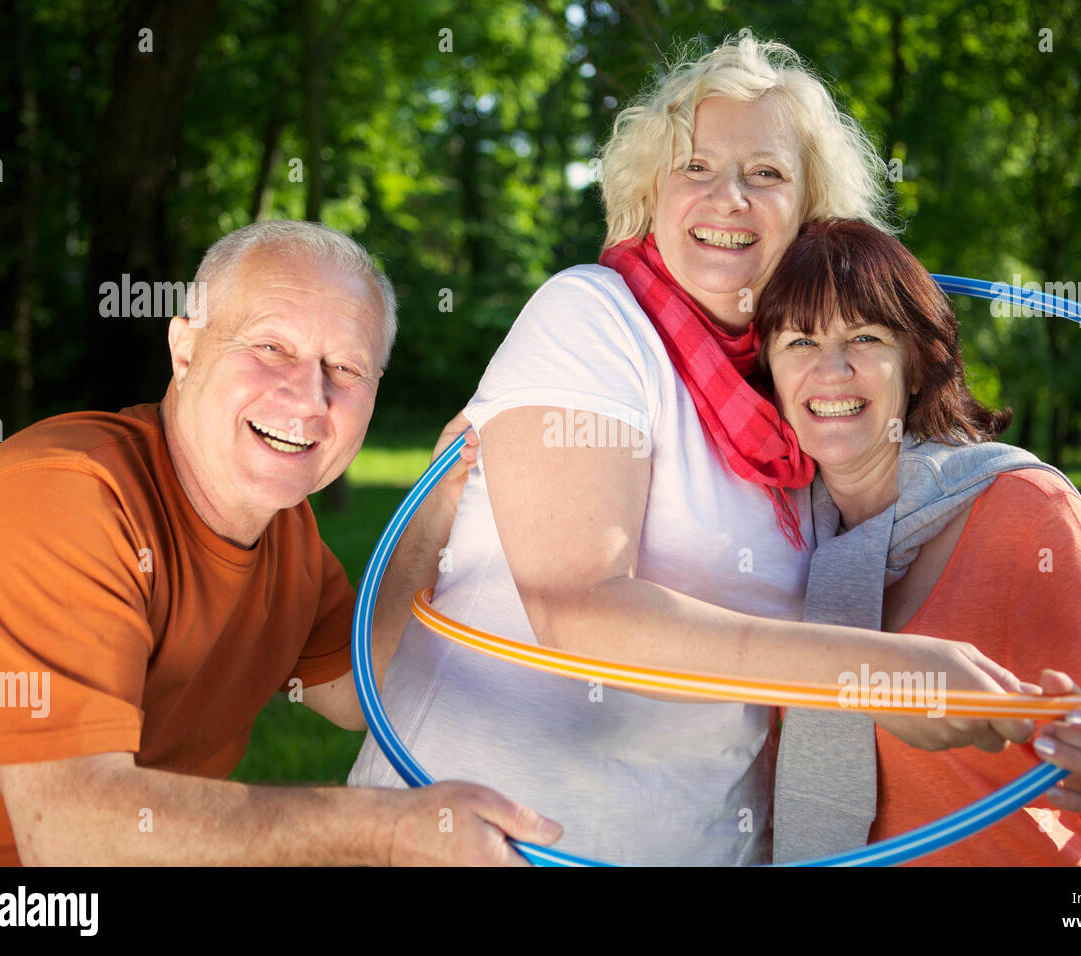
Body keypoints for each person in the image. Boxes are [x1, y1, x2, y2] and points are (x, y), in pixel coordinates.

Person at [349, 39, 1039, 866]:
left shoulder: (801, 396)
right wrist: (871, 671)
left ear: (813, 211)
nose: (729, 199)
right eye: (697, 167)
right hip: (486, 841)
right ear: (652, 192)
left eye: (767, 174)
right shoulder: (592, 319)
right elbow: (579, 608)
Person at [0, 219, 562, 866]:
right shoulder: (64, 503)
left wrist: (438, 495)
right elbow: (70, 834)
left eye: (345, 367)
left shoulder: (284, 533)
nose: (307, 396)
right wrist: (386, 830)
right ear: (185, 352)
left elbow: (361, 691)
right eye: (271, 347)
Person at [755, 218, 1081, 865]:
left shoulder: (1028, 515)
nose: (832, 370)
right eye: (800, 341)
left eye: (865, 337)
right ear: (767, 370)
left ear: (916, 364)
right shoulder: (780, 534)